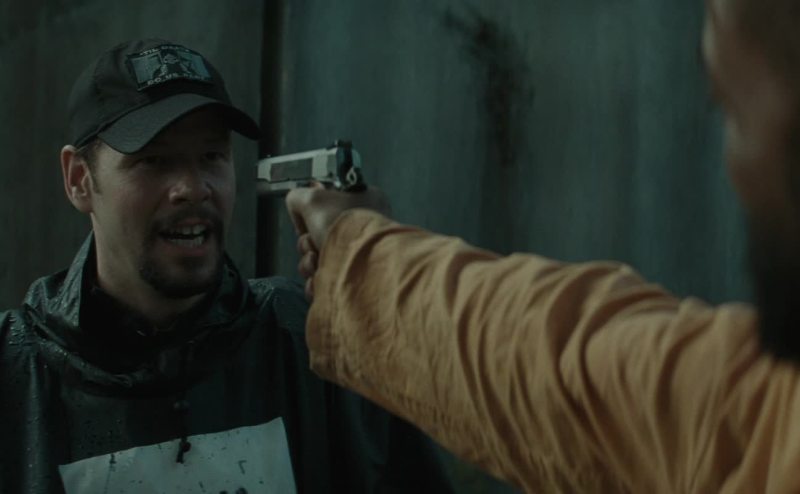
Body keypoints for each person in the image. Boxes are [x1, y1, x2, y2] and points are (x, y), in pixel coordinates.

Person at [286, 0, 800, 491]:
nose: (732, 167)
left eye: (733, 111)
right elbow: (580, 377)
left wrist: (362, 261)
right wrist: (363, 261)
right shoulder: (773, 410)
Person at [0, 38, 453, 493]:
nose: (193, 188)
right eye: (154, 161)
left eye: (212, 156)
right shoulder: (17, 372)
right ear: (79, 179)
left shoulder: (309, 340)